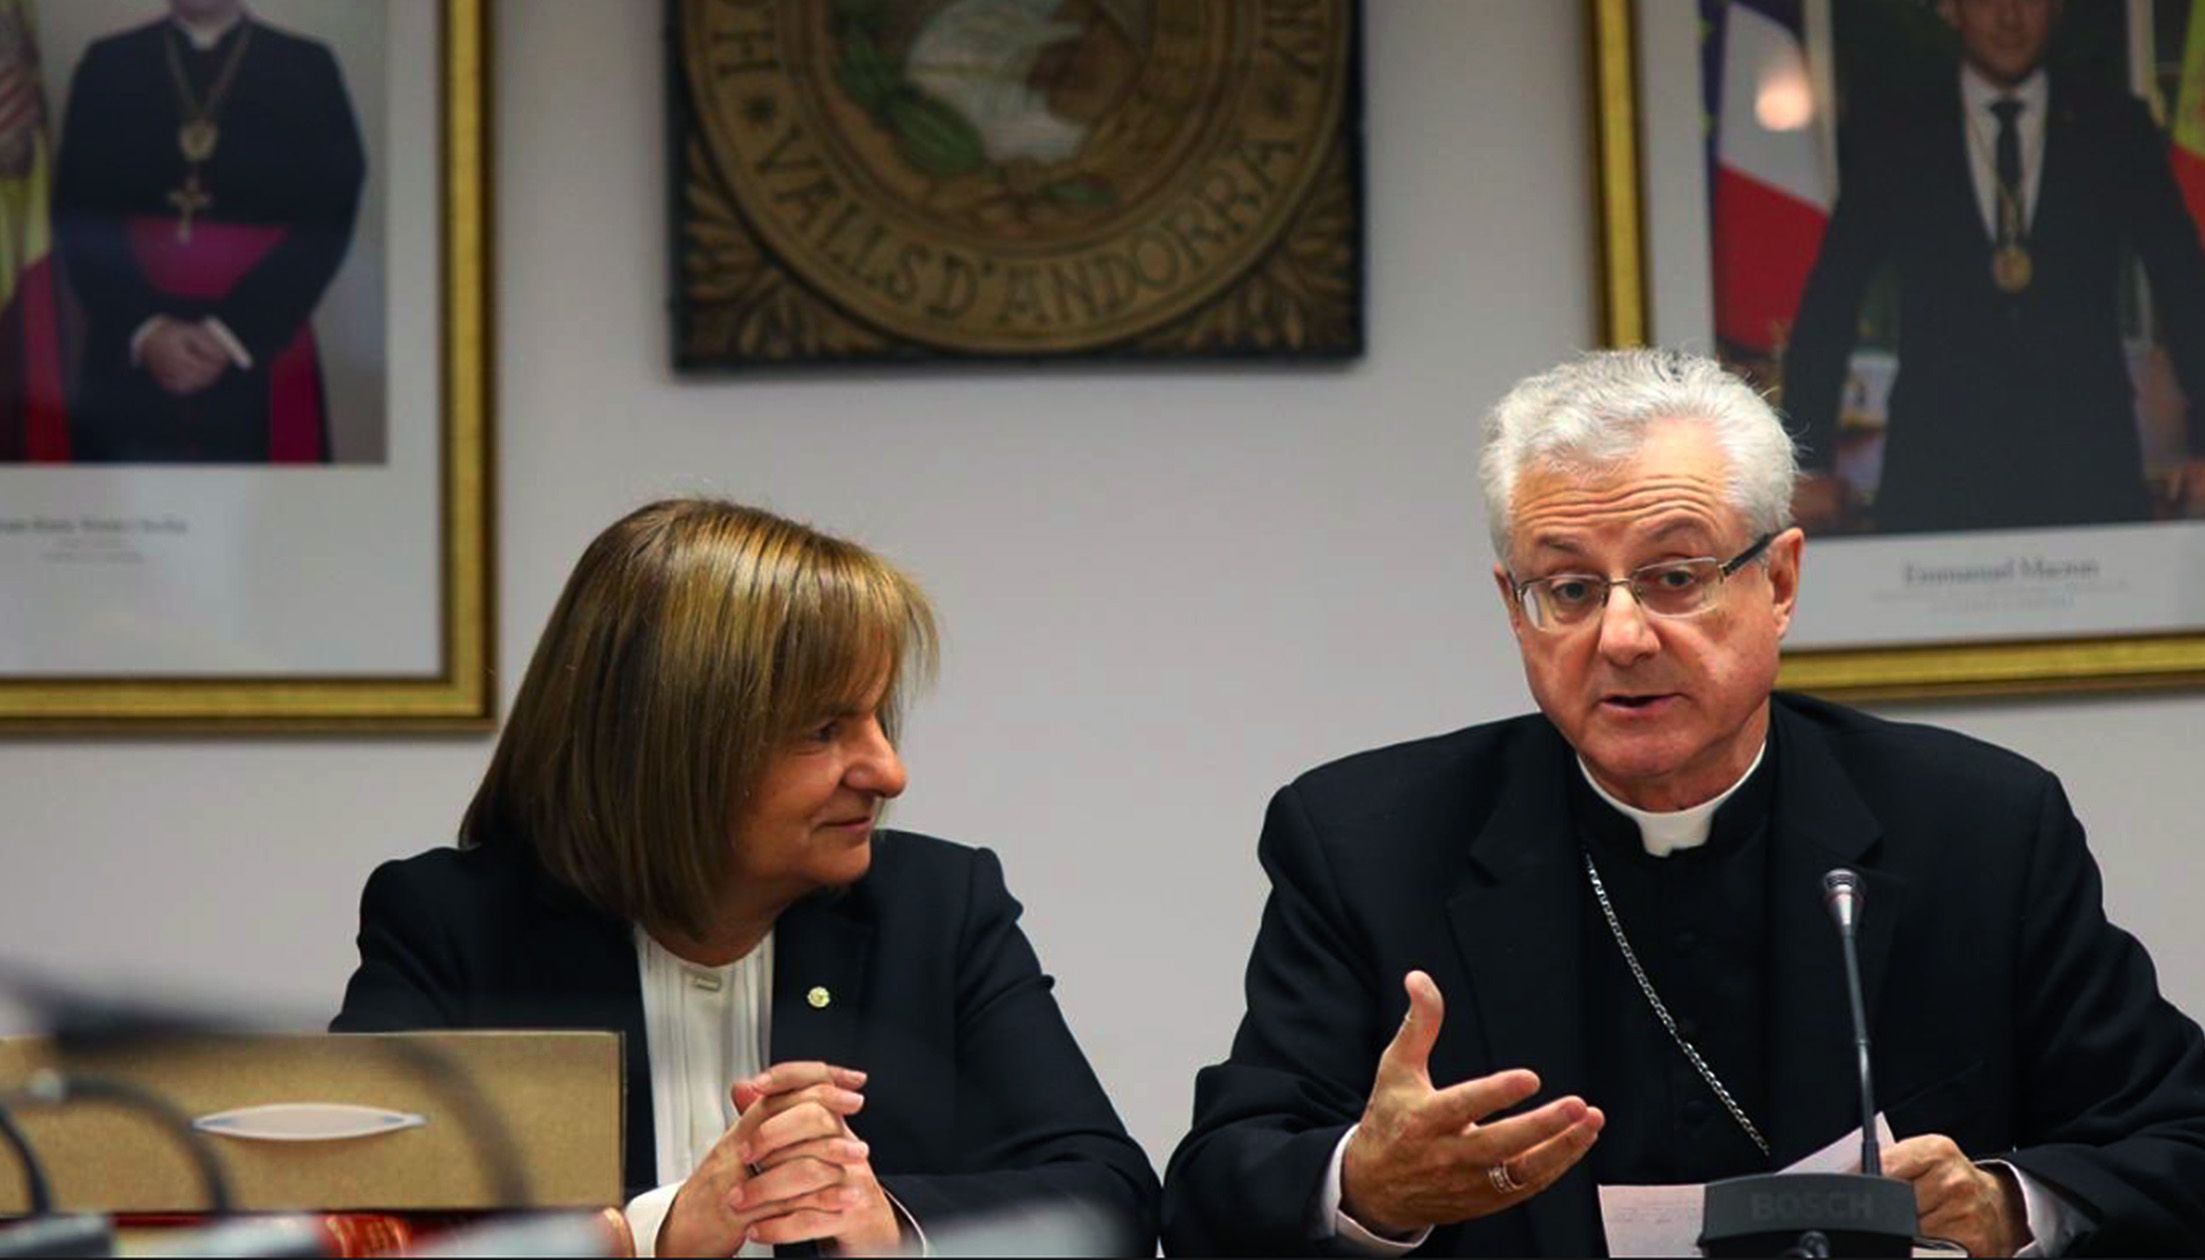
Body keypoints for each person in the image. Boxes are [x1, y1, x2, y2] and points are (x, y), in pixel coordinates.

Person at [1162, 350, 2205, 1256]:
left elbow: (2178, 1144)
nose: (1621, 637)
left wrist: (2001, 1208)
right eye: (1569, 589)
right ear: (1515, 610)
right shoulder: (1367, 843)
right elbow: (1215, 1190)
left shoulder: (1978, 831)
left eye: (1673, 577)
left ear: (1781, 581)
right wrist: (1366, 1190)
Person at [334, 499, 1159, 1256]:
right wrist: (646, 1233)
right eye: (824, 729)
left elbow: (1111, 1200)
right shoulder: (453, 923)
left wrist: (889, 1224)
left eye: (878, 718)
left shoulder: (939, 909)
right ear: (671, 747)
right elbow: (347, 1220)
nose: (888, 770)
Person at [1782, 0, 2205, 534]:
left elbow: (2185, 288)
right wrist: (1807, 465)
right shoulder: (1895, 132)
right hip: (1937, 471)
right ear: (1949, 8)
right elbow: (1833, 300)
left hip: (2089, 469)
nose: (2010, 17)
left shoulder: (2115, 126)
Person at [53, 0, 364, 463]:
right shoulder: (109, 63)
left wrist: (232, 333)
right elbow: (77, 210)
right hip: (131, 338)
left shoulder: (305, 67)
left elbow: (327, 216)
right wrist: (146, 329)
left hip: (260, 337)